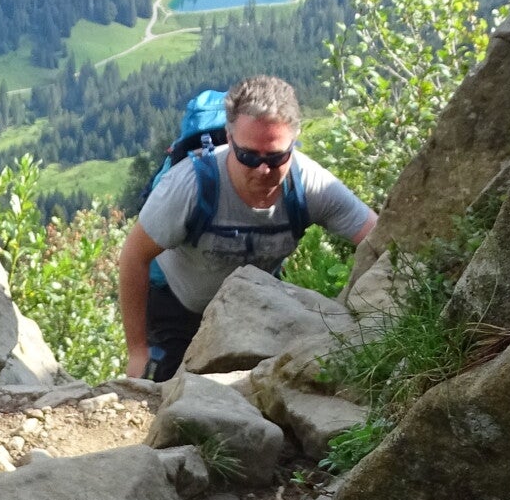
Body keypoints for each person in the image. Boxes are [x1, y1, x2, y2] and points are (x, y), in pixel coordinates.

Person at [118, 73, 376, 380]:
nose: (263, 170)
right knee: (170, 394)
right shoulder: (188, 186)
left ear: (293, 144)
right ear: (229, 139)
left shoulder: (311, 185)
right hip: (177, 309)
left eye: (276, 157)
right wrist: (138, 351)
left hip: (255, 308)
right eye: (248, 156)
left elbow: (382, 238)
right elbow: (134, 256)